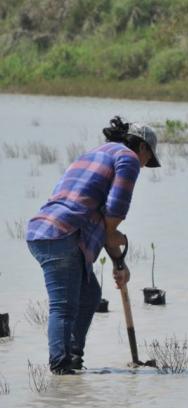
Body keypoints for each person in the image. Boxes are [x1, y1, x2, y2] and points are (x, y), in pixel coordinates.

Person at [26, 116, 160, 374]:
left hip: (44, 231)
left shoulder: (95, 152)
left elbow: (106, 223)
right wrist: (116, 240)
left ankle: (73, 359)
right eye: (148, 159)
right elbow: (116, 210)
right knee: (63, 306)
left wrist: (119, 261)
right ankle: (61, 369)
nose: (144, 166)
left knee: (89, 295)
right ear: (142, 147)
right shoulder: (128, 158)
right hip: (63, 235)